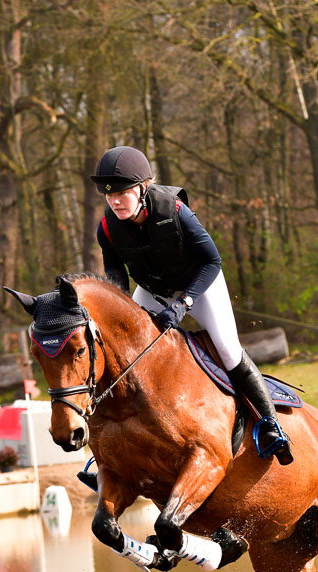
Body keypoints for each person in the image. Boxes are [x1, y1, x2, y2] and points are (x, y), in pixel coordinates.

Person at [89, 145, 293, 466]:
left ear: (142, 189)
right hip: (154, 289)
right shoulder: (107, 228)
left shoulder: (174, 210)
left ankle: (271, 425)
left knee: (227, 349)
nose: (114, 201)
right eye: (108, 194)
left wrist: (184, 302)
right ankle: (115, 440)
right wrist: (121, 310)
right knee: (126, 353)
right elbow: (116, 274)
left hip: (200, 284)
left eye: (123, 193)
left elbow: (212, 260)